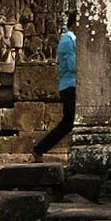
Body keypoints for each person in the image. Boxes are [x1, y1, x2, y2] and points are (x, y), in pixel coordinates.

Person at [31, 20, 78, 160]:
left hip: (72, 85)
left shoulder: (72, 39)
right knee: (69, 122)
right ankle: (39, 149)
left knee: (71, 122)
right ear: (74, 24)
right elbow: (73, 66)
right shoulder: (68, 40)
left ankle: (40, 149)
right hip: (70, 86)